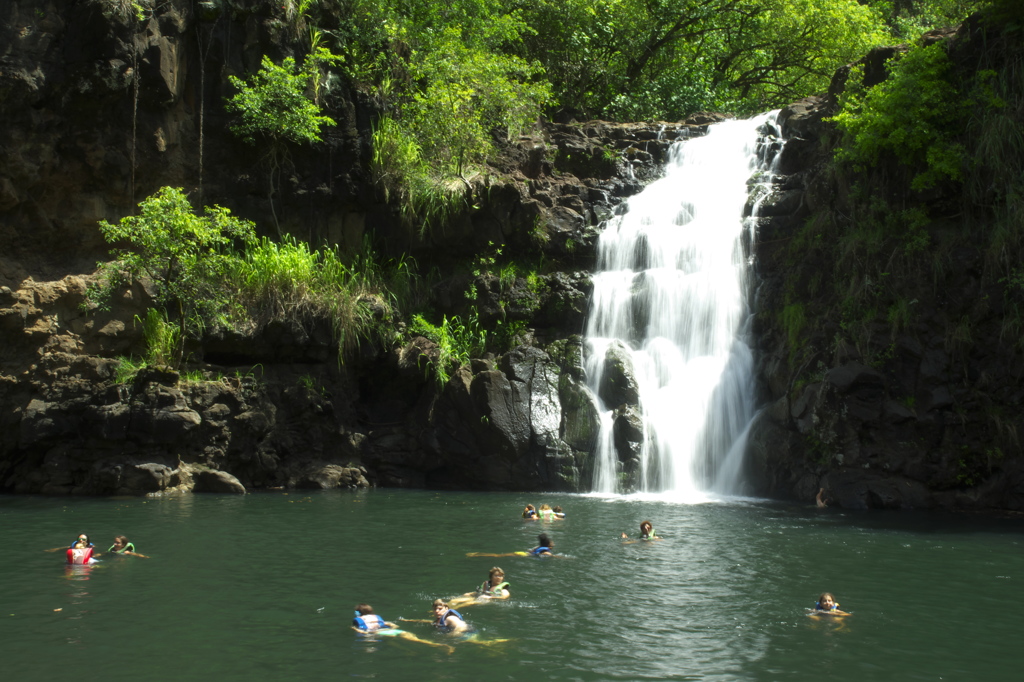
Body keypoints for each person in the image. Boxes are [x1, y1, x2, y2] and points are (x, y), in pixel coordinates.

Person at [352, 603, 452, 652]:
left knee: (396, 642)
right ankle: (433, 645)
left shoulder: (359, 621)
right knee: (414, 640)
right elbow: (394, 625)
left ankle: (439, 646)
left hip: (385, 633)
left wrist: (356, 630)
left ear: (358, 613)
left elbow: (363, 632)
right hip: (396, 631)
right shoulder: (378, 618)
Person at [466, 532, 559, 558]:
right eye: (552, 543)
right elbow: (549, 555)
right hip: (523, 555)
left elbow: (532, 551)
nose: (553, 543)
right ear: (548, 545)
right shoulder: (546, 550)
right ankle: (477, 554)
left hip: (522, 553)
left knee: (498, 555)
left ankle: (477, 554)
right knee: (497, 556)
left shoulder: (538, 547)